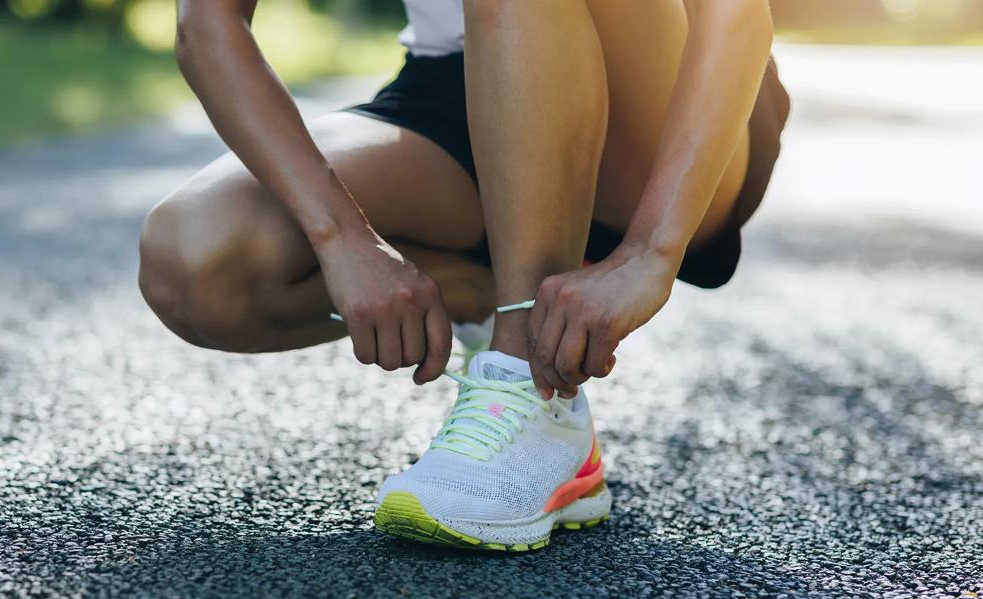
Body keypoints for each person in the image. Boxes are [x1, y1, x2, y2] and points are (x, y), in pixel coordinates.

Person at [138, 0, 790, 551]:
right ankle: (493, 295)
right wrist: (342, 239)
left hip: (662, 97)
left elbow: (733, 16)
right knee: (198, 264)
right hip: (454, 77)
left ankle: (527, 381)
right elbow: (207, 21)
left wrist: (652, 251)